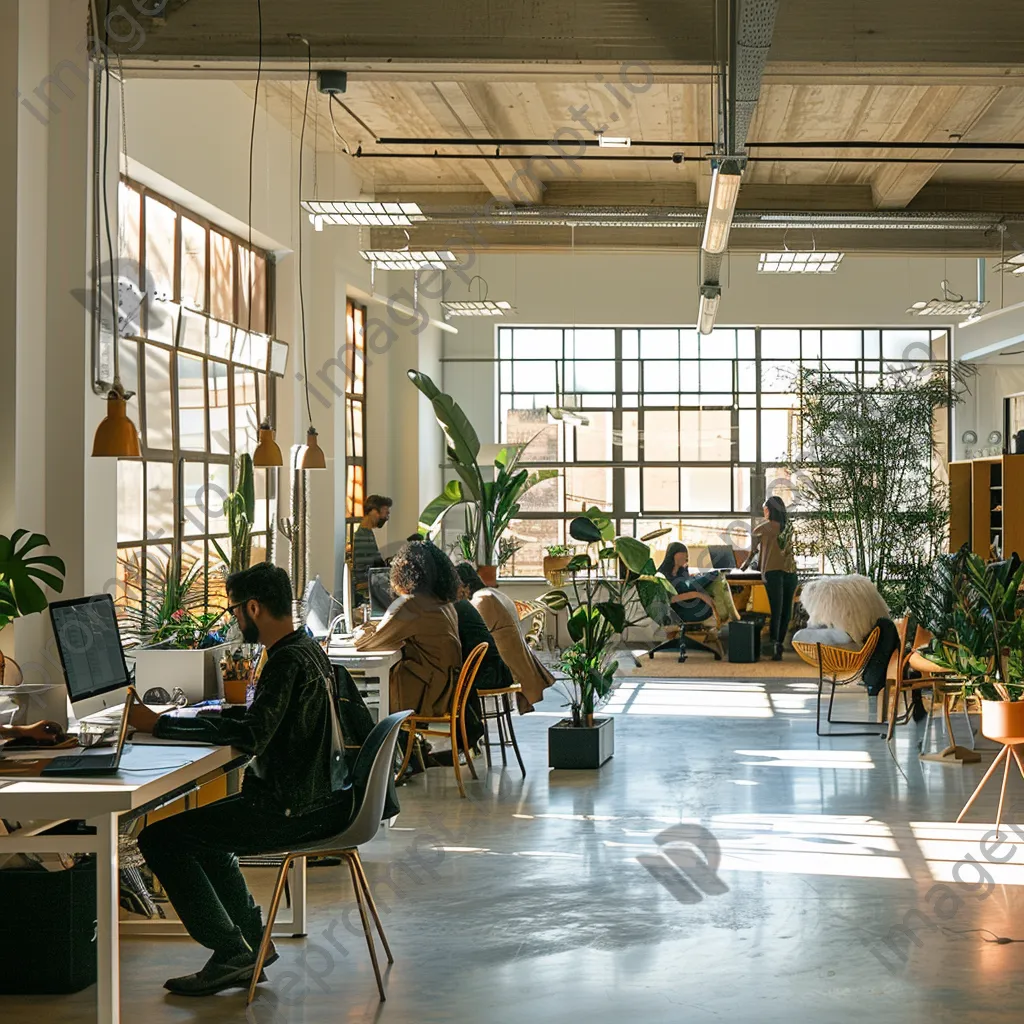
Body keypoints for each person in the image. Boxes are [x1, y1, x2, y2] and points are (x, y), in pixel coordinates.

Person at [131, 563, 357, 997]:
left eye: (236, 611)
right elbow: (264, 719)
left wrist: (160, 726)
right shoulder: (305, 649)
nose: (236, 619)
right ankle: (252, 943)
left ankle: (233, 950)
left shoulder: (286, 661)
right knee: (205, 836)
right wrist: (194, 717)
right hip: (318, 799)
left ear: (253, 607)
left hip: (292, 809)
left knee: (160, 839)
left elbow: (254, 736)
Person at [354, 540, 463, 717]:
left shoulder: (412, 604)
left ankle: (368, 740)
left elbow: (366, 645)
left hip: (426, 695)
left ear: (404, 571)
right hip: (443, 690)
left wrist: (359, 631)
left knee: (358, 687)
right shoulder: (443, 603)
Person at [454, 563, 554, 713]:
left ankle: (463, 727)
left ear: (465, 586)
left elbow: (476, 638)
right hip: (519, 667)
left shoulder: (482, 599)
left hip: (504, 670)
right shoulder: (494, 593)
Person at [742, 496, 798, 660]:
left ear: (770, 510)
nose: (764, 511)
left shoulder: (762, 528)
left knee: (776, 611)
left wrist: (743, 568)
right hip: (790, 572)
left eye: (765, 508)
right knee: (786, 612)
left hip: (773, 572)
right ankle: (778, 645)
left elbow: (753, 551)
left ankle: (774, 645)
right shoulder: (788, 528)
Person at [656, 542, 718, 624]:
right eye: (684, 554)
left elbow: (686, 584)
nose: (687, 557)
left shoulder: (681, 571)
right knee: (705, 608)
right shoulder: (662, 575)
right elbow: (668, 599)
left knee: (712, 598)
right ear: (675, 554)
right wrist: (698, 595)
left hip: (686, 602)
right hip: (673, 609)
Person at [352, 495, 392, 607]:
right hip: (367, 591)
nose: (386, 517)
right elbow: (366, 571)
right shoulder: (362, 535)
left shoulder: (367, 533)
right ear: (374, 512)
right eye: (385, 513)